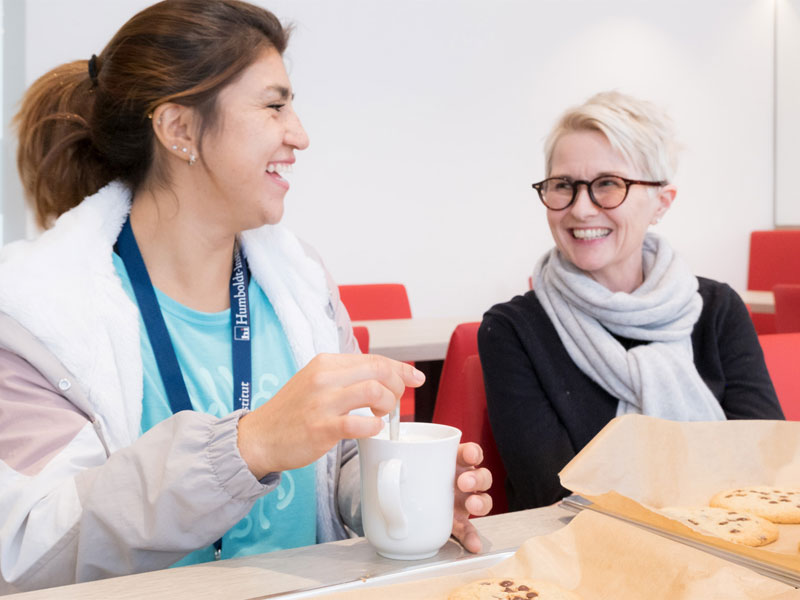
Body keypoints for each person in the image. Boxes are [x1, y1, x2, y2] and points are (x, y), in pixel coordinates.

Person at [0, 1, 492, 592]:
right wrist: (248, 446)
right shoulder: (36, 315)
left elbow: (337, 468)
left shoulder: (300, 283)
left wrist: (403, 499)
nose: (300, 134)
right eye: (274, 104)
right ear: (179, 128)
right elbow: (31, 547)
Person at [478, 91, 783, 513]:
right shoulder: (513, 330)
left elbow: (765, 466)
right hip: (583, 561)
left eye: (608, 185)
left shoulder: (717, 309)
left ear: (661, 202)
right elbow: (553, 499)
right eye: (563, 185)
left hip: (732, 552)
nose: (581, 209)